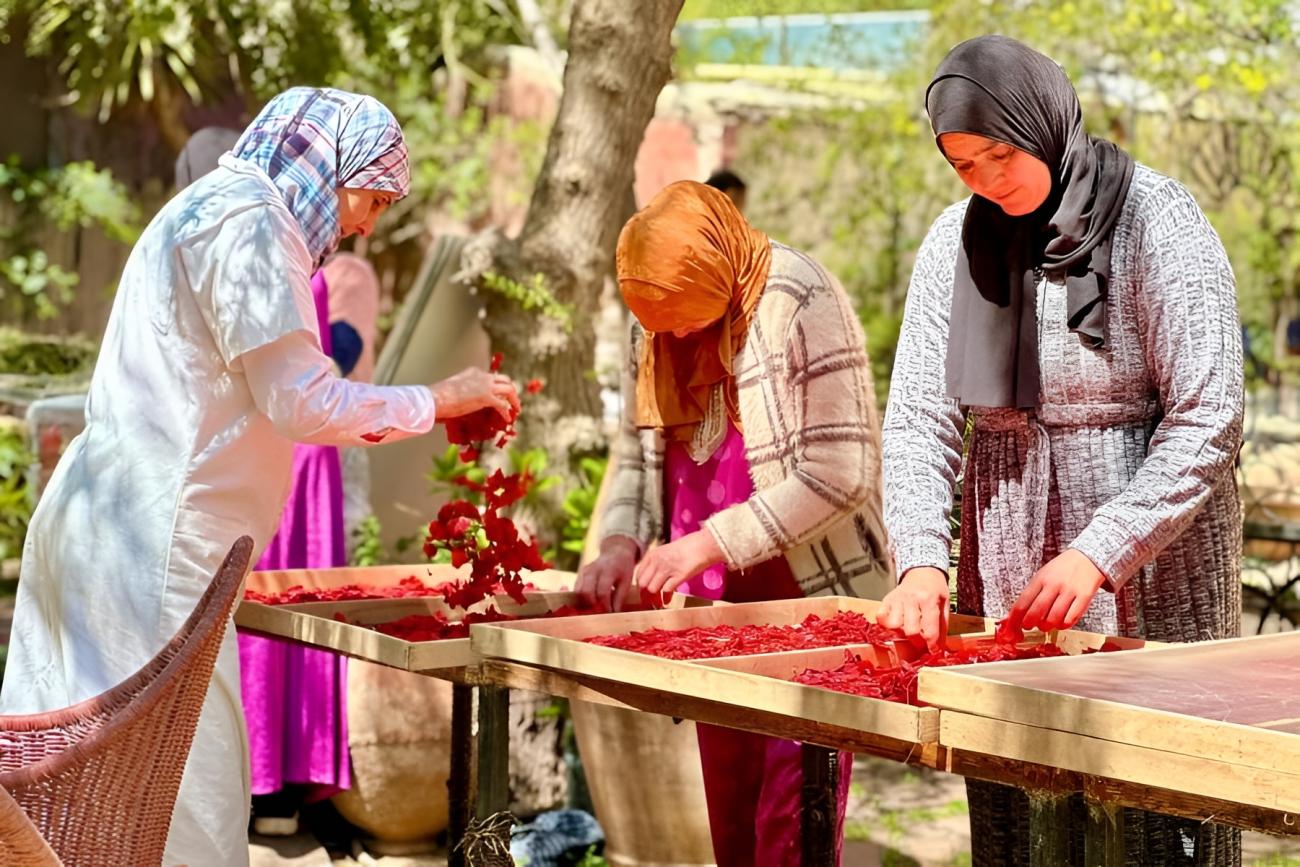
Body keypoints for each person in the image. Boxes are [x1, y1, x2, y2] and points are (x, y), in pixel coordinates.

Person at [0, 86, 519, 867]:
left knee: (80, 800)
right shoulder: (252, 221)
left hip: (118, 528)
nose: (367, 226)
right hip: (156, 546)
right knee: (184, 795)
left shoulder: (211, 206)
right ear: (331, 169)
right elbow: (301, 402)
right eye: (372, 199)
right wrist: (437, 399)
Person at [877, 36, 1242, 865]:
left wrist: (1101, 549)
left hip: (1151, 576)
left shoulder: (1155, 220)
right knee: (1021, 819)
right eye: (963, 165)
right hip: (1010, 574)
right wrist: (921, 561)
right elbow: (919, 420)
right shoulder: (954, 242)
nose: (986, 180)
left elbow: (1210, 414)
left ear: (1040, 122)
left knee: (1155, 821)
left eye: (1000, 154)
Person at [577, 180, 891, 867]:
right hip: (709, 604)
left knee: (791, 822)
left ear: (714, 272)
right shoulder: (653, 316)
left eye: (684, 322)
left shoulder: (800, 297)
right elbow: (637, 455)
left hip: (808, 598)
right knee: (731, 819)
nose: (672, 337)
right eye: (659, 326)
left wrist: (710, 541)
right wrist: (620, 543)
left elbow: (843, 471)